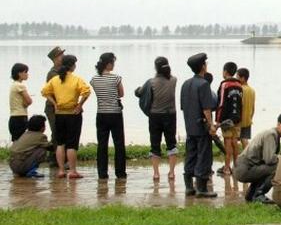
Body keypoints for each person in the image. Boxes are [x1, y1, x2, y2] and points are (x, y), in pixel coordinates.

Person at [41, 54, 91, 179]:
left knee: (60, 143)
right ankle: (73, 171)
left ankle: (61, 170)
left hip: (59, 114)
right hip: (73, 114)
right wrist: (80, 105)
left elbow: (44, 92)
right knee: (72, 144)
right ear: (72, 66)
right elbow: (87, 91)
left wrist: (54, 103)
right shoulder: (76, 79)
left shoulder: (55, 79)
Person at [234, 111, 281, 204]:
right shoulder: (271, 134)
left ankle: (251, 195)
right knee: (277, 167)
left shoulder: (273, 134)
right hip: (244, 169)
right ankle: (258, 195)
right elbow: (269, 159)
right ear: (279, 124)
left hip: (242, 167)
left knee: (268, 167)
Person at [180, 53, 217, 197]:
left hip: (189, 125)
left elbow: (183, 106)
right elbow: (206, 108)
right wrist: (211, 125)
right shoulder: (204, 84)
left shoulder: (185, 84)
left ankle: (189, 187)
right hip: (201, 126)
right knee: (204, 155)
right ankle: (202, 189)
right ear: (203, 66)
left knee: (190, 154)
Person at [136, 56, 178, 181]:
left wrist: (137, 90)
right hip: (170, 115)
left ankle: (156, 173)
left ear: (156, 67)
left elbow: (139, 93)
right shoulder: (174, 80)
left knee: (155, 144)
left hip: (155, 116)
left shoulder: (151, 82)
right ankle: (171, 173)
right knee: (171, 143)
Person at [90, 52, 127, 180]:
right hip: (115, 113)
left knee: (102, 144)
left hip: (101, 113)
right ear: (109, 64)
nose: (114, 65)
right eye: (113, 63)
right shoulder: (116, 78)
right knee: (119, 144)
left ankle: (102, 173)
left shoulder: (94, 79)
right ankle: (120, 173)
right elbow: (121, 94)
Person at [216, 62, 243, 176]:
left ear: (225, 72)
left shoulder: (224, 85)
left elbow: (221, 103)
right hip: (237, 118)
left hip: (226, 119)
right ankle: (236, 166)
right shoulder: (239, 85)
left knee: (227, 142)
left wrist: (218, 121)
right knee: (235, 142)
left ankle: (227, 167)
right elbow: (241, 103)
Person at [44, 46, 65, 162]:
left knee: (58, 132)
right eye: (61, 55)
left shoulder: (62, 70)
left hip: (60, 107)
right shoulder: (53, 73)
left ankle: (53, 158)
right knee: (57, 132)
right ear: (55, 58)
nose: (63, 57)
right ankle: (57, 160)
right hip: (52, 107)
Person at [9, 63, 33, 141]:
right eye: (25, 72)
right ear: (19, 73)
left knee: (16, 141)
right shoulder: (20, 86)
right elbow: (29, 101)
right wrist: (25, 104)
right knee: (21, 141)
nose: (27, 74)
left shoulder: (13, 85)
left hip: (13, 117)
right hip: (20, 117)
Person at [237, 68, 256, 149]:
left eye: (237, 76)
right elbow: (253, 107)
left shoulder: (240, 89)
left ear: (243, 78)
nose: (236, 78)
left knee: (235, 141)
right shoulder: (252, 90)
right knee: (244, 139)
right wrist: (251, 118)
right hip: (248, 119)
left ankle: (238, 159)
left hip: (239, 119)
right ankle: (248, 156)